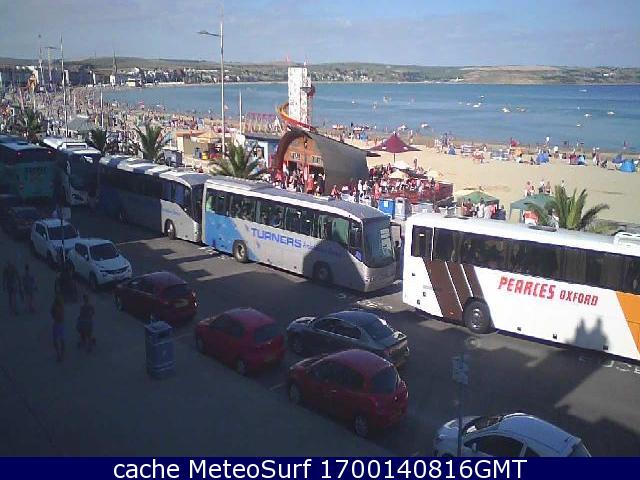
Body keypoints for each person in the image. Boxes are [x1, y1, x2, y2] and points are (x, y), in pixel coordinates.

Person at [51, 295, 65, 362]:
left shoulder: (54, 307)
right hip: (61, 324)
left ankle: (59, 354)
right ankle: (62, 354)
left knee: (55, 340)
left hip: (56, 324)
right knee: (62, 339)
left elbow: (52, 315)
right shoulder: (61, 307)